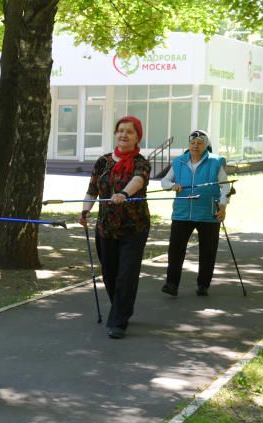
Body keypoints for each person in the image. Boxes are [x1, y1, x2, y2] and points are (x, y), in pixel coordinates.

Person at [79, 116, 151, 339]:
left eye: (129, 131)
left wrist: (123, 194)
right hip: (106, 229)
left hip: (134, 228)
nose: (123, 135)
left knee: (126, 274)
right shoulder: (102, 162)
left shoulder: (141, 162)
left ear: (137, 136)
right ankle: (121, 308)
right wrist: (85, 210)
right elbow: (92, 190)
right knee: (110, 274)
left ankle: (118, 320)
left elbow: (138, 180)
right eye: (120, 130)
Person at [160, 130, 230, 297]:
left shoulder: (215, 162)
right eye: (192, 143)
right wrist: (172, 186)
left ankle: (203, 285)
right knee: (175, 250)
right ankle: (171, 285)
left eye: (199, 143)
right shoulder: (179, 162)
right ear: (189, 145)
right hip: (182, 213)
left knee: (208, 251)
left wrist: (223, 205)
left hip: (208, 213)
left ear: (205, 145)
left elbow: (226, 186)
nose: (195, 146)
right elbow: (164, 181)